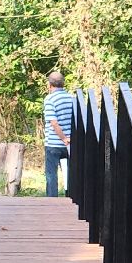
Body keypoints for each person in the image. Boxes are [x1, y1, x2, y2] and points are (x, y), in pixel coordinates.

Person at [42, 70, 75, 198]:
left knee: (51, 174)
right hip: (70, 143)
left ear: (50, 85)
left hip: (54, 143)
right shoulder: (72, 98)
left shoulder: (50, 99)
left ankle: (52, 200)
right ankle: (71, 197)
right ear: (63, 84)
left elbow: (54, 123)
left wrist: (63, 138)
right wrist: (69, 139)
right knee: (70, 174)